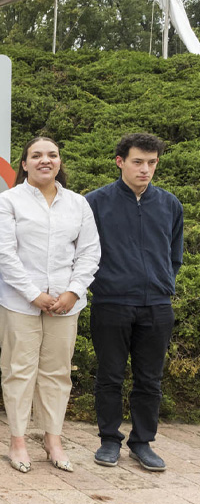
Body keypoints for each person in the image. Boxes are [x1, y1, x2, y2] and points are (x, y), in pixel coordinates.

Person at [0, 137, 100, 473]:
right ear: (24, 164)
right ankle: (18, 440)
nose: (45, 160)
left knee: (57, 372)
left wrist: (73, 291)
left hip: (65, 303)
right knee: (18, 370)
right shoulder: (8, 201)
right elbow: (4, 254)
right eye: (36, 155)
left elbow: (89, 252)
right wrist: (33, 293)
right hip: (18, 301)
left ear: (59, 162)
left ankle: (53, 439)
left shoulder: (78, 203)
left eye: (52, 155)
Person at [86, 133, 182, 472]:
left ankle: (142, 442)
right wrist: (102, 285)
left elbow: (174, 254)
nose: (145, 169)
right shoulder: (95, 202)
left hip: (157, 305)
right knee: (110, 376)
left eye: (152, 163)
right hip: (111, 303)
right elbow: (83, 253)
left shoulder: (170, 204)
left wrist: (164, 284)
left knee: (150, 379)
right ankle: (109, 440)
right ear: (120, 162)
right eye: (138, 162)